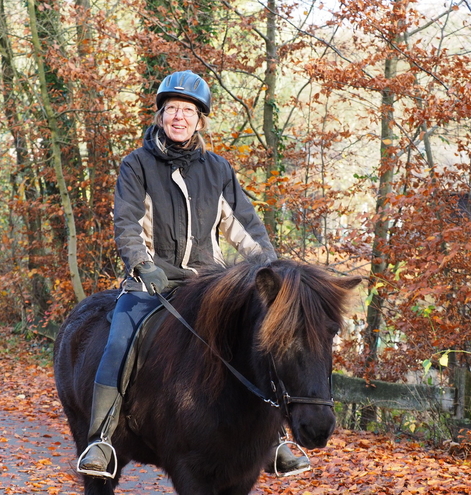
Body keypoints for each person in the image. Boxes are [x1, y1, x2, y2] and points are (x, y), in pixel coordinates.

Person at [76, 70, 310, 478]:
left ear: (200, 120)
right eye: (171, 110)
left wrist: (270, 271)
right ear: (159, 116)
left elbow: (245, 226)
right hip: (152, 280)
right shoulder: (137, 165)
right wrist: (140, 263)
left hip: (208, 282)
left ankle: (275, 441)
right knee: (119, 341)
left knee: (259, 337)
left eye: (187, 111)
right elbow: (126, 222)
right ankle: (100, 439)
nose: (179, 117)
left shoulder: (218, 169)